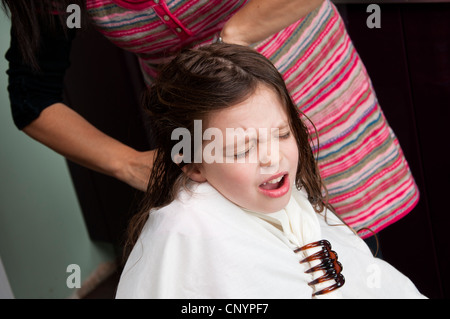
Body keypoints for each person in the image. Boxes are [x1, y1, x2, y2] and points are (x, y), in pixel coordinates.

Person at [2, 0, 419, 243]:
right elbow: (31, 95)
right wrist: (130, 164)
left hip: (313, 94)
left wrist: (233, 38)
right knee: (253, 264)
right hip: (204, 142)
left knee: (345, 255)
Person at [115, 43, 425, 298]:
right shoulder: (190, 237)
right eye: (241, 148)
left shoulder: (294, 203)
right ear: (193, 164)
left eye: (281, 134)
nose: (271, 157)